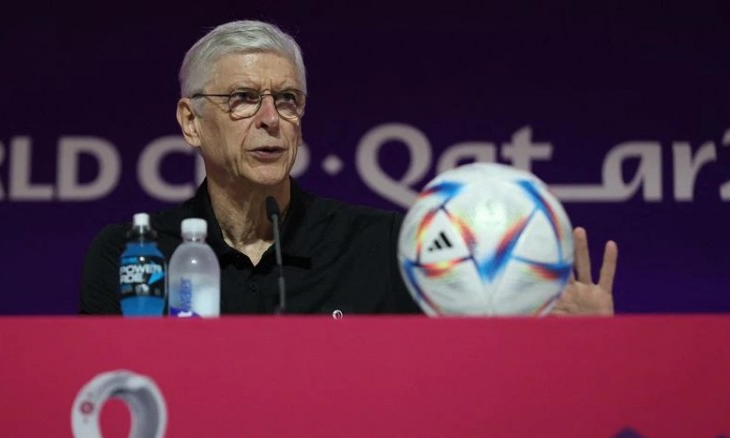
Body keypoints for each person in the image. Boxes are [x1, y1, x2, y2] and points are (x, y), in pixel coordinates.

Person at [79, 19, 617, 317]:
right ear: (191, 122)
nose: (272, 119)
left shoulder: (385, 245)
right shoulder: (135, 255)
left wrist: (571, 344)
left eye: (288, 99)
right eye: (244, 98)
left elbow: (470, 386)